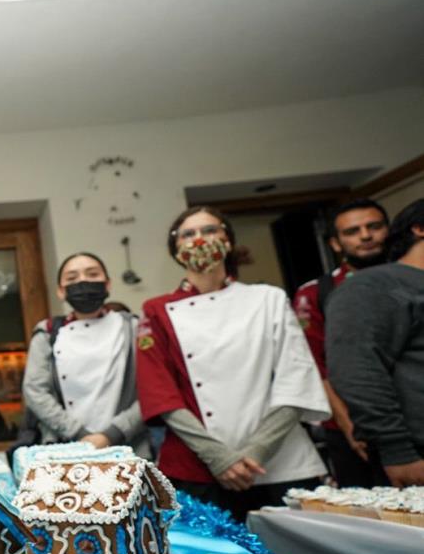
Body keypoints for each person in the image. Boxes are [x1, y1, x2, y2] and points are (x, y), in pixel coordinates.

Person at [136, 206, 329, 521]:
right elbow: (160, 392)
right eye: (188, 234)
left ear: (227, 240)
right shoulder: (156, 310)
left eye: (210, 230)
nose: (199, 239)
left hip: (279, 459)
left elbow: (297, 378)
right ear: (176, 248)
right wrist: (219, 457)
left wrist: (255, 452)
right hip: (198, 463)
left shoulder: (268, 298)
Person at [292, 198, 391, 486]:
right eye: (353, 231)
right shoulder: (314, 294)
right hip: (350, 427)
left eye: (374, 226)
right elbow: (316, 367)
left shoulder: (412, 279)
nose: (365, 235)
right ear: (335, 243)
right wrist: (349, 427)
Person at [326, 199, 424, 487]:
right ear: (419, 229)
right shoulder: (372, 286)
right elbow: (356, 370)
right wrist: (398, 451)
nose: (365, 235)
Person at [22, 252, 149, 457]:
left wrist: (111, 435)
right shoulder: (47, 332)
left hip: (129, 448)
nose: (83, 281)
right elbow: (35, 391)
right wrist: (79, 434)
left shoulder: (134, 326)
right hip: (64, 451)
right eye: (72, 278)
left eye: (92, 274)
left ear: (107, 285)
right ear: (61, 291)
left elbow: (152, 390)